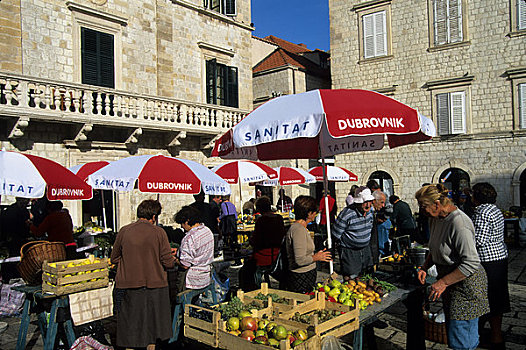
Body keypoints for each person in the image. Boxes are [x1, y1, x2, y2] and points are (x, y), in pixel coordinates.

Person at [416, 184, 489, 350]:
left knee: (462, 340)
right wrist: (424, 267)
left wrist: (442, 283)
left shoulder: (459, 223)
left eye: (424, 206)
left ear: (437, 203)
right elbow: (435, 247)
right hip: (451, 284)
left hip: (466, 286)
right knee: (456, 335)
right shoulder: (435, 218)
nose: (422, 210)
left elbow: (471, 262)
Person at [110, 200, 174, 350]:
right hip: (155, 285)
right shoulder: (159, 232)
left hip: (129, 285)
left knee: (131, 328)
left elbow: (114, 258)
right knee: (152, 330)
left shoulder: (124, 231)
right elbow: (168, 263)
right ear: (153, 216)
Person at [471, 183, 509, 349]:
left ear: (477, 196)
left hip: (488, 260)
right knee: (497, 299)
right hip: (499, 257)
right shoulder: (495, 209)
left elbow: (479, 239)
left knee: (489, 299)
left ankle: (494, 338)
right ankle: (496, 335)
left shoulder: (482, 212)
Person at [285, 196, 331, 293]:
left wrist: (317, 255)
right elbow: (300, 260)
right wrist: (316, 257)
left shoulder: (302, 228)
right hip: (300, 277)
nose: (316, 214)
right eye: (315, 212)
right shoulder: (298, 230)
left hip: (306, 275)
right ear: (309, 213)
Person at [332, 186, 375, 280]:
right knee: (351, 277)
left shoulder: (371, 211)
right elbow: (335, 234)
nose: (368, 205)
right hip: (349, 251)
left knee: (366, 276)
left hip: (365, 249)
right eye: (364, 202)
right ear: (358, 203)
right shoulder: (347, 213)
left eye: (369, 202)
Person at [173, 206, 215, 294]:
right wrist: (178, 251)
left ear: (187, 221)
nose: (182, 226)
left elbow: (185, 265)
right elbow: (197, 252)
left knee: (180, 302)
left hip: (191, 280)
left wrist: (174, 260)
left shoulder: (189, 238)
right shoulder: (207, 231)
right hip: (205, 277)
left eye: (182, 223)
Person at [248, 196, 285, 287]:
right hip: (278, 253)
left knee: (248, 267)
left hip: (264, 255)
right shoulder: (279, 218)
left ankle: (255, 287)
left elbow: (257, 240)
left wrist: (250, 240)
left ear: (260, 209)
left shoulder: (261, 220)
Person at [190, 191, 220, 256]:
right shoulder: (192, 208)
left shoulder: (208, 206)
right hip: (197, 233)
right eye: (201, 195)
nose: (203, 197)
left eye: (203, 195)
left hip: (208, 231)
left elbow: (213, 220)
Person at [370, 190, 387, 265]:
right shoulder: (368, 213)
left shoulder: (373, 212)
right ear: (374, 201)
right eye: (381, 202)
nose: (383, 206)